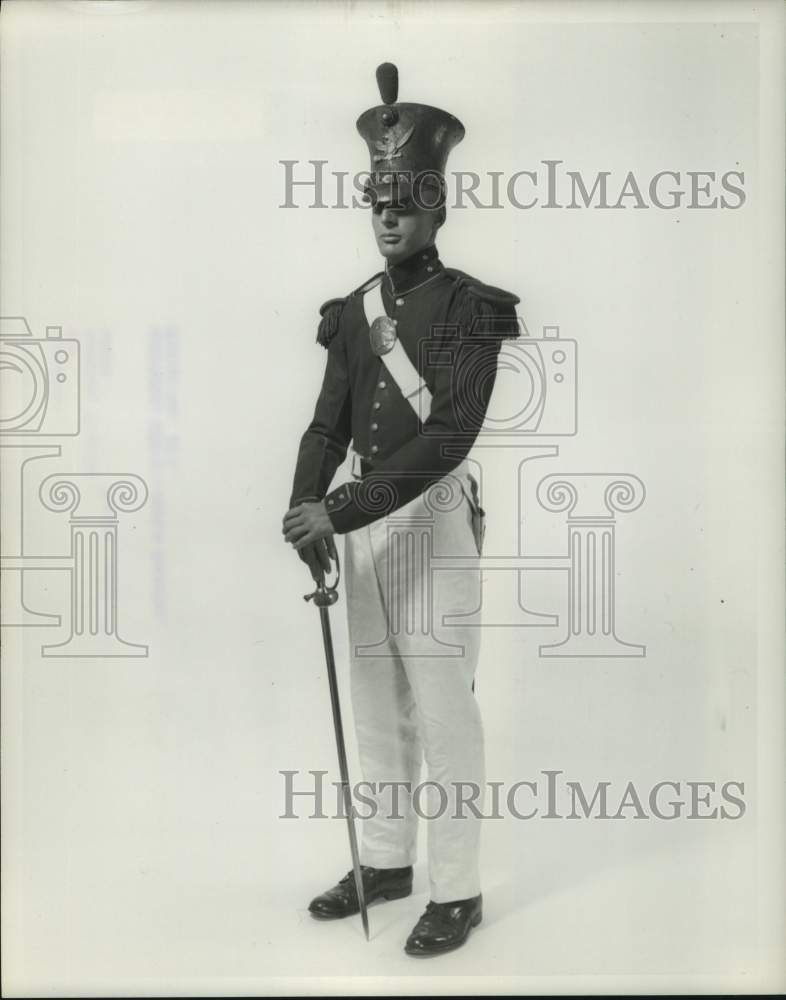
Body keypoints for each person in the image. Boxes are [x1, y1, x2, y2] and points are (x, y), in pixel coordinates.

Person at [282, 63, 519, 956]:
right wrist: (305, 503)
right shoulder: (350, 311)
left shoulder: (470, 308)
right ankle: (384, 862)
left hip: (432, 521)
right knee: (378, 703)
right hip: (362, 521)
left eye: (409, 200)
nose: (390, 215)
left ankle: (456, 889)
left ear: (439, 210)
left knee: (444, 709)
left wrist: (335, 512)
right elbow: (325, 420)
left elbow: (450, 436)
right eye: (378, 200)